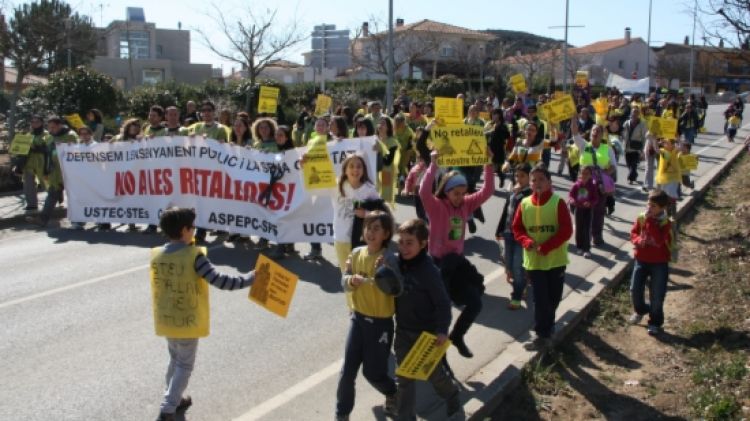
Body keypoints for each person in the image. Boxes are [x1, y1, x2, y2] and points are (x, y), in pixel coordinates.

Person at [150, 208, 255, 421]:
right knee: (184, 365)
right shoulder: (194, 256)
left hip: (166, 319)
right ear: (185, 230)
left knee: (174, 360)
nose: (195, 231)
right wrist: (250, 279)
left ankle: (176, 399)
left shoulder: (157, 254)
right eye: (193, 227)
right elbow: (221, 281)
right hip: (187, 320)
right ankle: (168, 408)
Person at [419, 148, 494, 358]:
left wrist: (488, 163)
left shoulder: (466, 205)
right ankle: (437, 359)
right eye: (455, 193)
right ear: (446, 191)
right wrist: (433, 165)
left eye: (463, 193)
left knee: (475, 303)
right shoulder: (436, 206)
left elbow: (487, 191)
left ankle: (457, 336)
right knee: (440, 315)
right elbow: (423, 193)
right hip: (436, 265)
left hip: (457, 265)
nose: (460, 197)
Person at [390, 219, 460, 420]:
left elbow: (443, 303)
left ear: (423, 244)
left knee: (433, 375)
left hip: (426, 335)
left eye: (409, 242)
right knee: (403, 377)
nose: (403, 247)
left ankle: (451, 394)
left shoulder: (429, 271)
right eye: (401, 241)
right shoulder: (397, 263)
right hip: (403, 331)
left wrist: (442, 330)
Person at [336, 211, 398, 421]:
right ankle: (342, 413)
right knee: (346, 373)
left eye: (376, 228)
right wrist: (350, 281)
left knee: (373, 373)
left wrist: (385, 273)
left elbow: (396, 290)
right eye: (368, 227)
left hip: (380, 325)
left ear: (386, 234)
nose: (370, 232)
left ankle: (392, 393)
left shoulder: (390, 258)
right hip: (358, 320)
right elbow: (344, 281)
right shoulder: (356, 253)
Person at [512, 164, 573, 349]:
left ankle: (548, 327)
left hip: (556, 261)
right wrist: (527, 242)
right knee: (540, 299)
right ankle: (542, 334)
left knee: (553, 298)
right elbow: (517, 228)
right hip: (534, 262)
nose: (537, 183)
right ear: (529, 183)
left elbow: (566, 230)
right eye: (534, 180)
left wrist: (547, 247)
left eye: (541, 179)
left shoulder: (558, 202)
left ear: (549, 182)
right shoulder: (524, 203)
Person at [627, 190, 673, 336]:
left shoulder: (666, 222)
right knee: (635, 289)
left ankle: (655, 321)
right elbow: (633, 233)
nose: (649, 208)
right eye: (648, 204)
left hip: (659, 263)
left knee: (657, 294)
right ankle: (640, 310)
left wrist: (650, 222)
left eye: (653, 206)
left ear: (662, 208)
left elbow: (659, 241)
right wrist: (638, 240)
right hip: (641, 259)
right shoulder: (642, 218)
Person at [25, 117, 78, 227]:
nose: (51, 130)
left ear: (60, 125)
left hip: (70, 171)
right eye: (49, 127)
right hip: (55, 172)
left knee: (74, 196)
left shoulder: (71, 135)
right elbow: (47, 153)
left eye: (53, 127)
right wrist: (46, 169)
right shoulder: (50, 137)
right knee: (52, 194)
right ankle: (43, 219)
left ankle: (79, 220)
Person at [332, 154, 382, 272]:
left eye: (359, 166)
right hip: (341, 239)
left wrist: (366, 214)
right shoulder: (336, 185)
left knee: (361, 275)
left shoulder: (369, 189)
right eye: (351, 166)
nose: (355, 169)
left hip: (363, 240)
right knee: (347, 276)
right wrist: (304, 168)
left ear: (364, 170)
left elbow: (381, 214)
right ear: (345, 170)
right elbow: (312, 188)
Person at [571, 119, 617, 243]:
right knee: (582, 209)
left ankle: (597, 236)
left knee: (598, 211)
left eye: (598, 131)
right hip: (583, 184)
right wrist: (573, 117)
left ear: (602, 135)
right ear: (590, 133)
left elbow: (613, 165)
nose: (595, 133)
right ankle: (583, 238)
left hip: (599, 186)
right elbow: (575, 132)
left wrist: (603, 174)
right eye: (593, 130)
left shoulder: (607, 149)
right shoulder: (583, 145)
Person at [495, 162, 532, 310]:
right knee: (508, 262)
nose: (518, 179)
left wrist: (519, 193)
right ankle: (521, 282)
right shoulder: (514, 191)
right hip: (508, 232)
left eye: (522, 176)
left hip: (521, 236)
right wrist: (499, 230)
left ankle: (517, 295)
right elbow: (506, 211)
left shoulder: (530, 193)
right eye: (517, 175)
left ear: (530, 177)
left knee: (518, 265)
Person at [18, 115, 49, 212]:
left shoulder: (47, 135)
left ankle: (54, 199)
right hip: (29, 163)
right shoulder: (28, 135)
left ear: (42, 123)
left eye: (37, 122)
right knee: (28, 183)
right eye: (33, 122)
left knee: (47, 183)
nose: (34, 124)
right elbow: (21, 150)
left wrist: (37, 148)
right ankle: (32, 204)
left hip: (43, 162)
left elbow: (50, 149)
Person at [568, 165, 599, 258]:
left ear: (590, 175)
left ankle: (587, 249)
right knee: (579, 229)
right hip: (578, 209)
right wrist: (572, 200)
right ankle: (579, 247)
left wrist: (590, 203)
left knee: (587, 229)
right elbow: (570, 195)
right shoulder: (576, 185)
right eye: (583, 173)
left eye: (587, 174)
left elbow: (595, 198)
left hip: (588, 210)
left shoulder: (592, 186)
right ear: (580, 174)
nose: (585, 175)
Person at [376, 116, 399, 204]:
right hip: (374, 175)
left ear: (388, 127)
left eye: (383, 124)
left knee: (383, 201)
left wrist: (379, 151)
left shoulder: (392, 142)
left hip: (386, 173)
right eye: (379, 123)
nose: (380, 125)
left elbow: (388, 161)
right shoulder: (374, 140)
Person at [622, 107, 648, 185]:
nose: (634, 114)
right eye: (633, 113)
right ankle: (634, 174)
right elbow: (622, 133)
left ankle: (630, 179)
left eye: (636, 113)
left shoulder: (642, 124)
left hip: (636, 148)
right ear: (631, 114)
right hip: (627, 147)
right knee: (629, 164)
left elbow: (644, 137)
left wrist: (643, 149)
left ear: (638, 115)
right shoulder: (626, 123)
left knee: (633, 165)